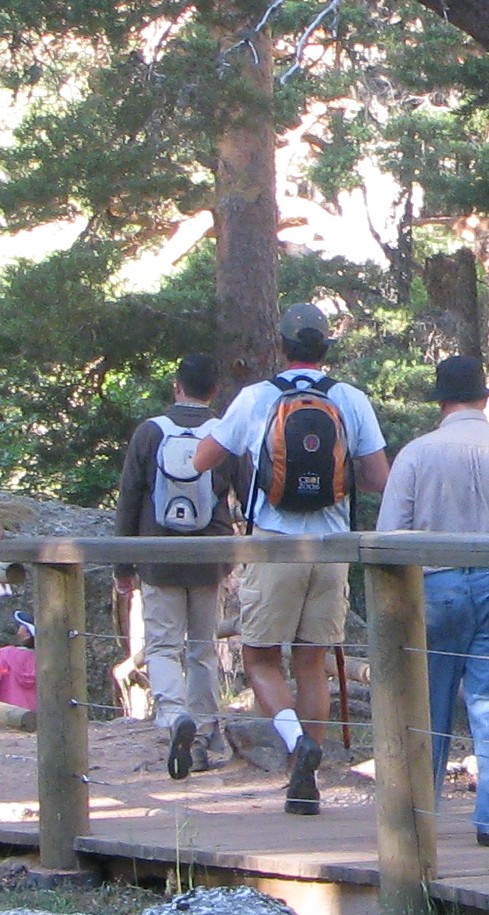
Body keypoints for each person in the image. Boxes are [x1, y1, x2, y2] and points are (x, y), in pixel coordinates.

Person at [189, 303, 392, 814]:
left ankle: (292, 741)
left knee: (258, 657)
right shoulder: (350, 399)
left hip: (273, 543)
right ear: (326, 347)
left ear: (280, 347)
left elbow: (202, 461)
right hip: (332, 549)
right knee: (311, 665)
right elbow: (378, 478)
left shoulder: (257, 398)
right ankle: (311, 779)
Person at [376, 355, 489, 847]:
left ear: (441, 400)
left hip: (437, 584)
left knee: (428, 699)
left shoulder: (417, 453)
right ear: (482, 398)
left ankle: (418, 814)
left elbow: (390, 529)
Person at [114, 354, 248, 780]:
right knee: (203, 647)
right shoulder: (224, 432)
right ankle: (207, 731)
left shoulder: (150, 432)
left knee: (163, 646)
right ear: (215, 391)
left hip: (158, 555)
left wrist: (123, 564)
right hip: (209, 556)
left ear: (176, 386)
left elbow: (130, 499)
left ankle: (174, 719)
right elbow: (245, 494)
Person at [0, 611, 38, 712]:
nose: (17, 631)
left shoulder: (5, 654)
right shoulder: (42, 660)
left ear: (27, 634)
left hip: (7, 714)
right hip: (36, 716)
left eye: (21, 626)